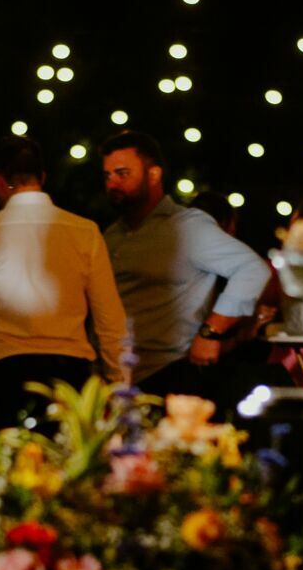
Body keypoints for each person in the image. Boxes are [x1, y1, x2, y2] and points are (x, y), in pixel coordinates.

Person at [0, 136, 129, 422]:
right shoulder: (86, 231)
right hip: (71, 370)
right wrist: (120, 386)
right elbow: (110, 320)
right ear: (42, 177)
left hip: (6, 371)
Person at [100, 130, 272, 401]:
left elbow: (252, 269)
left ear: (154, 175)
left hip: (171, 375)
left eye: (122, 174)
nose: (112, 183)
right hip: (118, 380)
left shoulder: (186, 226)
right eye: (107, 176)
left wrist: (212, 331)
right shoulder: (112, 234)